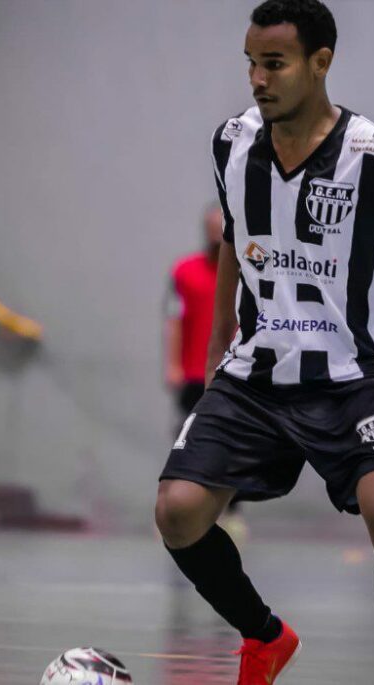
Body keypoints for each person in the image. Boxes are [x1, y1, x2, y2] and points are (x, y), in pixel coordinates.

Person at [154, 2, 374, 683]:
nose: (257, 77)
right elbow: (234, 236)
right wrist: (221, 339)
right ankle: (265, 636)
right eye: (250, 62)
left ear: (321, 62)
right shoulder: (232, 144)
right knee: (177, 512)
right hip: (257, 371)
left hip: (355, 376)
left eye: (273, 63)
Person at [164, 204, 247, 541]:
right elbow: (173, 321)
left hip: (236, 373)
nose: (216, 231)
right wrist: (172, 365)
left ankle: (233, 511)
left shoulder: (248, 270)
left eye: (221, 225)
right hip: (194, 375)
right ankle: (181, 510)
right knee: (190, 441)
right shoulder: (184, 271)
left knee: (236, 444)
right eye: (211, 226)